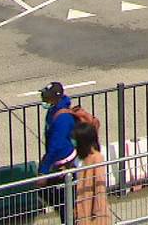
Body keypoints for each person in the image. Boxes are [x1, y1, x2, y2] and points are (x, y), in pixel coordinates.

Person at [37, 82, 78, 223]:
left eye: (46, 98)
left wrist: (44, 170)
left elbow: (56, 146)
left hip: (64, 166)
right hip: (56, 162)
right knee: (63, 204)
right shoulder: (53, 111)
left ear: (56, 98)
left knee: (66, 205)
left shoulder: (62, 118)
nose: (44, 101)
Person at [73, 120, 112, 225]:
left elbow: (100, 187)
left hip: (91, 211)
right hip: (82, 204)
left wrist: (96, 210)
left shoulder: (96, 158)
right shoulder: (80, 157)